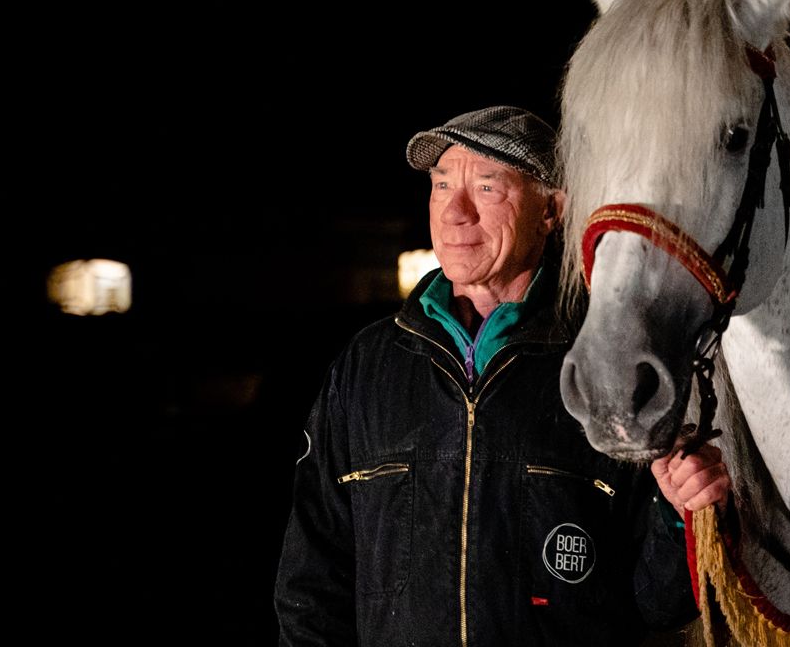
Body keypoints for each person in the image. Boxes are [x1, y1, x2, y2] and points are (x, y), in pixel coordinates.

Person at [275, 105, 728, 646]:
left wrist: (679, 514)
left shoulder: (610, 364)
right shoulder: (368, 365)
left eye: (487, 189)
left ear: (552, 210)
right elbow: (310, 584)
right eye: (442, 186)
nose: (454, 213)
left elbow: (660, 606)